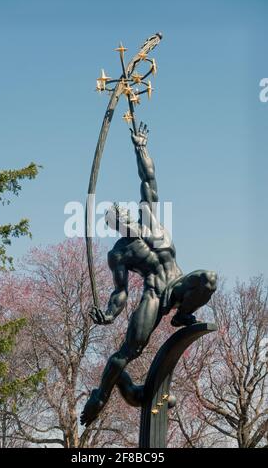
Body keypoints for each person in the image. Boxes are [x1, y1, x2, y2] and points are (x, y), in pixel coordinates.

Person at [81, 122, 217, 427]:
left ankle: (182, 315)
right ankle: (101, 395)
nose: (123, 220)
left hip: (177, 285)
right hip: (153, 295)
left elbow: (149, 178)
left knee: (208, 278)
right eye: (117, 220)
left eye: (123, 214)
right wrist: (109, 313)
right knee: (128, 351)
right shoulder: (119, 253)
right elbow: (120, 293)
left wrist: (140, 146)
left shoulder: (151, 218)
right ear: (115, 226)